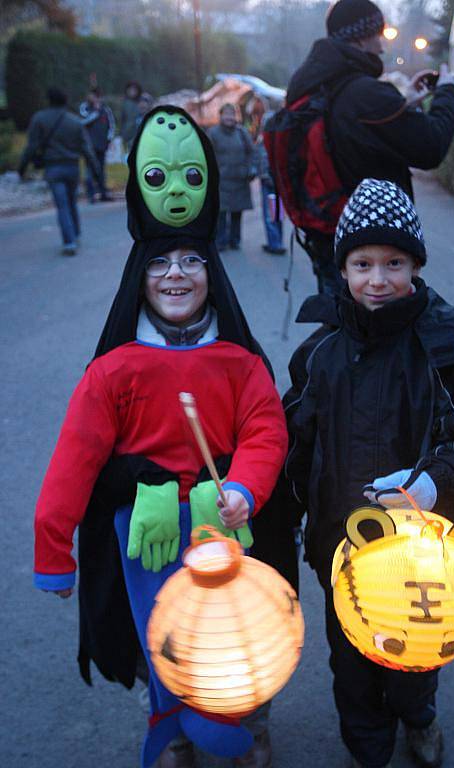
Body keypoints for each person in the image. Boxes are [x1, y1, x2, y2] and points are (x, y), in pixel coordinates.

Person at [33, 106, 289, 768]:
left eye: (192, 262)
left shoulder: (239, 360)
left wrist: (243, 487)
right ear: (138, 278)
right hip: (141, 538)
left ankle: (247, 721)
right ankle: (172, 726)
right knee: (163, 636)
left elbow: (266, 429)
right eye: (161, 264)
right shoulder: (114, 370)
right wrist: (53, 549)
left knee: (232, 631)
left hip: (224, 527)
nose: (177, 274)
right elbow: (74, 462)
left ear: (213, 273)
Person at [280, 178, 454, 768]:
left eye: (394, 262)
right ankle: (367, 745)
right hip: (341, 544)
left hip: (428, 553)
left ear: (416, 265)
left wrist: (431, 482)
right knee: (350, 657)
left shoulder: (451, 351)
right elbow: (294, 448)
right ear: (342, 268)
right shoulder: (319, 355)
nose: (378, 279)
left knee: (416, 652)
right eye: (362, 263)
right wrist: (273, 511)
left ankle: (418, 717)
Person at [285, 0, 454, 295]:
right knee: (375, 331)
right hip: (373, 241)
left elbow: (354, 130)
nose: (381, 46)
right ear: (360, 37)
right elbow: (431, 147)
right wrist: (448, 92)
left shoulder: (313, 85)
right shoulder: (364, 93)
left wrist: (403, 102)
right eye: (377, 35)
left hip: (328, 232)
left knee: (341, 328)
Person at [18, 87, 99, 255]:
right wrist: (96, 171)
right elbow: (87, 149)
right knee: (71, 202)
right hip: (72, 167)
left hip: (53, 168)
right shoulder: (75, 121)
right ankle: (75, 233)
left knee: (62, 205)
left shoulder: (39, 119)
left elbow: (31, 147)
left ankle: (69, 242)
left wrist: (22, 168)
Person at [208, 103, 254, 252]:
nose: (229, 117)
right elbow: (207, 156)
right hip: (221, 181)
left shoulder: (242, 132)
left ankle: (235, 240)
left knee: (236, 212)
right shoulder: (213, 133)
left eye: (232, 114)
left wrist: (249, 169)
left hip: (239, 179)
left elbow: (251, 152)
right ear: (220, 116)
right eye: (226, 114)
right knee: (220, 213)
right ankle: (220, 241)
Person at [79, 86, 116, 203]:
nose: (95, 98)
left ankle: (103, 193)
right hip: (89, 146)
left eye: (97, 96)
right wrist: (95, 113)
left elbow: (112, 125)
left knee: (101, 169)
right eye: (93, 95)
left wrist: (109, 140)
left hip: (102, 145)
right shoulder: (84, 108)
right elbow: (82, 122)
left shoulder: (106, 109)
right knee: (90, 170)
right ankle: (91, 195)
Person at [256, 118, 286, 256]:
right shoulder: (280, 139)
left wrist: (264, 176)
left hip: (269, 181)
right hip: (279, 182)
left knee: (270, 214)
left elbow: (262, 160)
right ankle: (278, 241)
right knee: (277, 213)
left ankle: (275, 244)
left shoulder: (265, 140)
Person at [121, 80, 143, 152]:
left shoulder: (142, 103)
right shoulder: (125, 104)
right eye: (130, 89)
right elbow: (121, 120)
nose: (132, 91)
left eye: (134, 90)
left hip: (139, 135)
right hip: (127, 135)